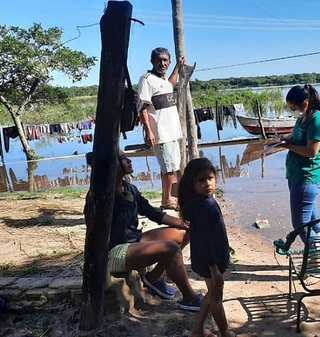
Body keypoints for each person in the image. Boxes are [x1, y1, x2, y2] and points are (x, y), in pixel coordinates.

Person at [84, 149, 203, 312]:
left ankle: (154, 278)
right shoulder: (100, 195)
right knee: (171, 249)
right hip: (115, 252)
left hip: (135, 241)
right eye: (124, 159)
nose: (129, 161)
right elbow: (105, 232)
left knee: (184, 233)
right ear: (112, 166)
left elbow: (151, 212)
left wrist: (182, 223)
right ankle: (189, 298)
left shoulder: (129, 189)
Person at [177, 158, 234, 337]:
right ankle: (225, 332)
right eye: (200, 180)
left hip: (213, 258)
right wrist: (214, 269)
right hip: (211, 261)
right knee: (216, 297)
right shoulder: (202, 206)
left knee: (212, 294)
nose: (207, 184)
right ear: (192, 183)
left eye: (210, 178)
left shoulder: (205, 200)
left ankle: (197, 330)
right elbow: (206, 240)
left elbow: (214, 232)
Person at [275, 84, 320, 243]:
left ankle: (315, 256)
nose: (294, 112)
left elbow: (311, 151)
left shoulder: (317, 119)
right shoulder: (303, 117)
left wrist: (287, 146)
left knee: (300, 224)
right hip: (296, 175)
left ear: (305, 103)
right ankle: (318, 243)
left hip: (307, 176)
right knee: (310, 218)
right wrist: (282, 140)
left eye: (294, 108)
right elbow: (298, 139)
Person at [138, 47, 185, 210]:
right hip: (161, 133)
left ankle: (172, 197)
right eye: (159, 60)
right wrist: (148, 131)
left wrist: (177, 67)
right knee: (168, 169)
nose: (162, 63)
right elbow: (142, 107)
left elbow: (170, 84)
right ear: (152, 61)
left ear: (169, 62)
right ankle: (166, 200)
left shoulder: (163, 80)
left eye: (165, 60)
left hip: (172, 132)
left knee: (174, 167)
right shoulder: (147, 79)